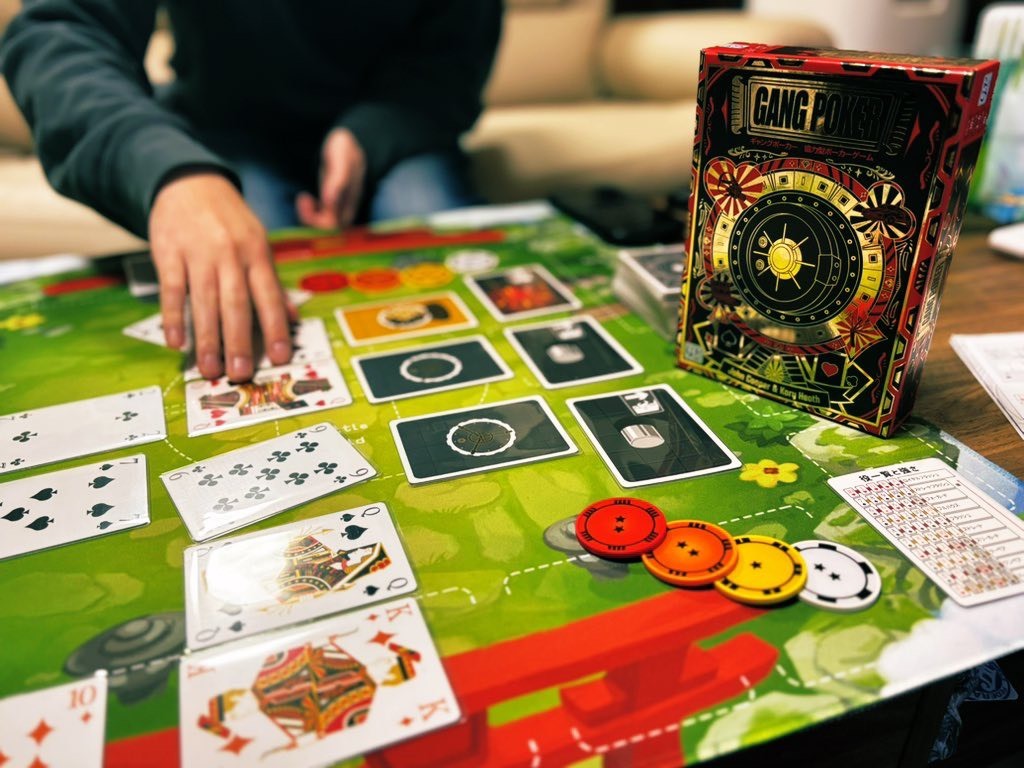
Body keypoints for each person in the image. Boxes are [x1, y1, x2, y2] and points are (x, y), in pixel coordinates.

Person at [0, 1, 502, 382]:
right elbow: (65, 32)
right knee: (250, 303)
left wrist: (370, 134)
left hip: (399, 126)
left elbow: (453, 57)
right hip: (222, 129)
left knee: (452, 264)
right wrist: (170, 171)